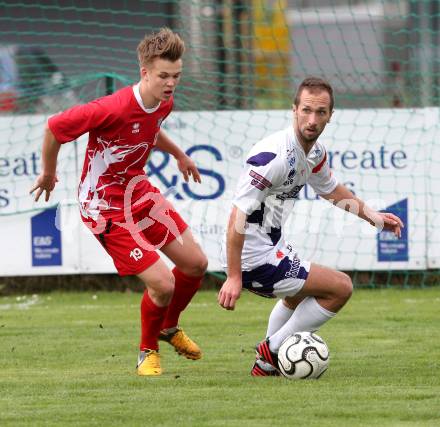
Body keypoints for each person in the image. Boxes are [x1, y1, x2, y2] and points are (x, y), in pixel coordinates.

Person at [30, 28, 208, 377]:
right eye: (163, 76)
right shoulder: (110, 108)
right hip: (102, 205)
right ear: (144, 73)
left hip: (136, 192)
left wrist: (179, 155)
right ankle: (147, 351)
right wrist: (49, 174)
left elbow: (152, 127)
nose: (171, 84)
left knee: (195, 264)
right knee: (162, 283)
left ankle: (168, 327)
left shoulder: (164, 101)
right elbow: (53, 128)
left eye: (176, 76)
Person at [218, 77, 404, 376]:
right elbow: (236, 217)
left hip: (269, 245)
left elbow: (331, 190)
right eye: (306, 110)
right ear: (294, 110)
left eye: (320, 112)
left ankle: (266, 365)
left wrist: (375, 218)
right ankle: (274, 348)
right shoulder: (273, 158)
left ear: (330, 115)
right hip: (251, 256)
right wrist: (233, 276)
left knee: (299, 293)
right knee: (340, 287)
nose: (312, 119)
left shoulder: (315, 153)